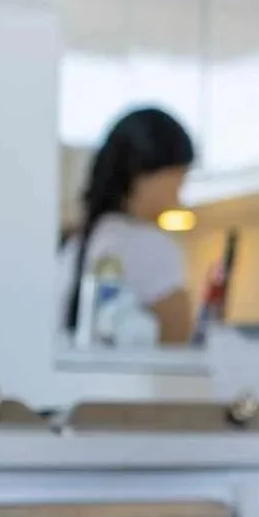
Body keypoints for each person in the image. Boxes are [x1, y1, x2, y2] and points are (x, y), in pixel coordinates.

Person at [56, 107, 198, 348]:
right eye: (179, 173)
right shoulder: (149, 245)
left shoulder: (76, 244)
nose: (181, 187)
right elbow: (177, 341)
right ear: (144, 173)